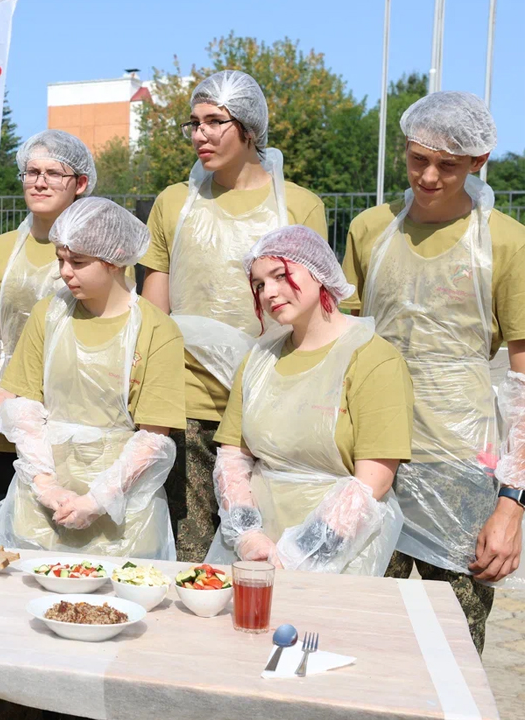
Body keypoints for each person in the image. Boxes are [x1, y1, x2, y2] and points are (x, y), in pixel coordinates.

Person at [342, 91, 525, 655]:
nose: (428, 176)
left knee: (453, 653)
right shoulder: (370, 230)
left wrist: (512, 502)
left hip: (462, 471)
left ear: (478, 162)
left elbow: (523, 384)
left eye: (448, 164)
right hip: (372, 462)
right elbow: (338, 352)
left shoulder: (506, 243)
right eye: (417, 158)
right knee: (362, 641)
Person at [140, 69, 329, 562]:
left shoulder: (299, 207)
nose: (200, 134)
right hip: (188, 407)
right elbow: (154, 311)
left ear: (249, 128)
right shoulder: (174, 203)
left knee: (263, 555)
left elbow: (318, 312)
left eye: (214, 122)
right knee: (190, 557)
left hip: (270, 409)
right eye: (194, 123)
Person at [0, 197, 185, 560]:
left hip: (123, 511)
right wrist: (46, 486)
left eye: (78, 262)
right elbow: (24, 410)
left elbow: (154, 436)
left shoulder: (157, 330)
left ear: (116, 259)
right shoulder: (48, 314)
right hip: (42, 501)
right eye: (60, 259)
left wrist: (99, 499)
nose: (65, 272)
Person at [205, 225, 411, 576]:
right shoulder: (258, 360)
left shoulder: (374, 359)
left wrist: (302, 551)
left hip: (342, 553)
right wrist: (247, 535)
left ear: (319, 273)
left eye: (281, 275)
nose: (269, 292)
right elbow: (233, 457)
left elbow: (373, 481)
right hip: (255, 552)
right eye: (258, 284)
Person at [0, 129, 99, 509]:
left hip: (78, 421)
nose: (40, 182)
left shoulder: (101, 249)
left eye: (54, 173)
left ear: (81, 183)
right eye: (31, 172)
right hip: (9, 421)